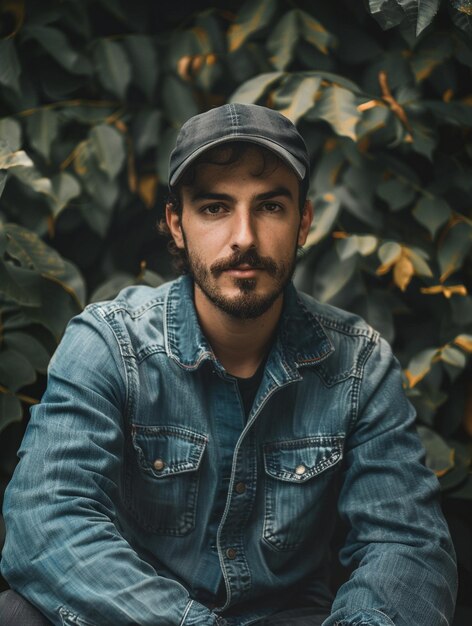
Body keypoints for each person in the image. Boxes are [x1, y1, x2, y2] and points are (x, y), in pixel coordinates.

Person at [0, 103, 457, 626]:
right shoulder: (109, 343)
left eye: (270, 207)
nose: (244, 237)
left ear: (303, 220)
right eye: (215, 208)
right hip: (137, 615)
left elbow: (405, 542)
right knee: (16, 614)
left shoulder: (359, 364)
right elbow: (46, 521)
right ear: (177, 223)